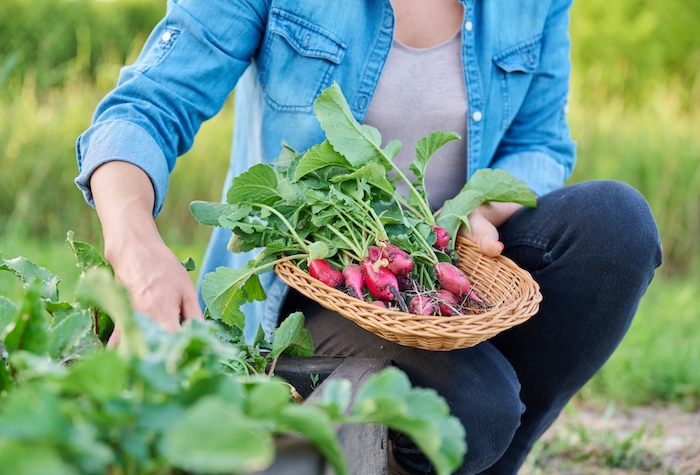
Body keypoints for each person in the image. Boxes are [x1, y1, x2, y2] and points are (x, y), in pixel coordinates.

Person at [75, 0, 663, 473]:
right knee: (473, 410)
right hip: (311, 288)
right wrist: (135, 247)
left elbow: (541, 143)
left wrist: (480, 207)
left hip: (439, 270)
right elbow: (147, 107)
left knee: (616, 226)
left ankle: (494, 465)